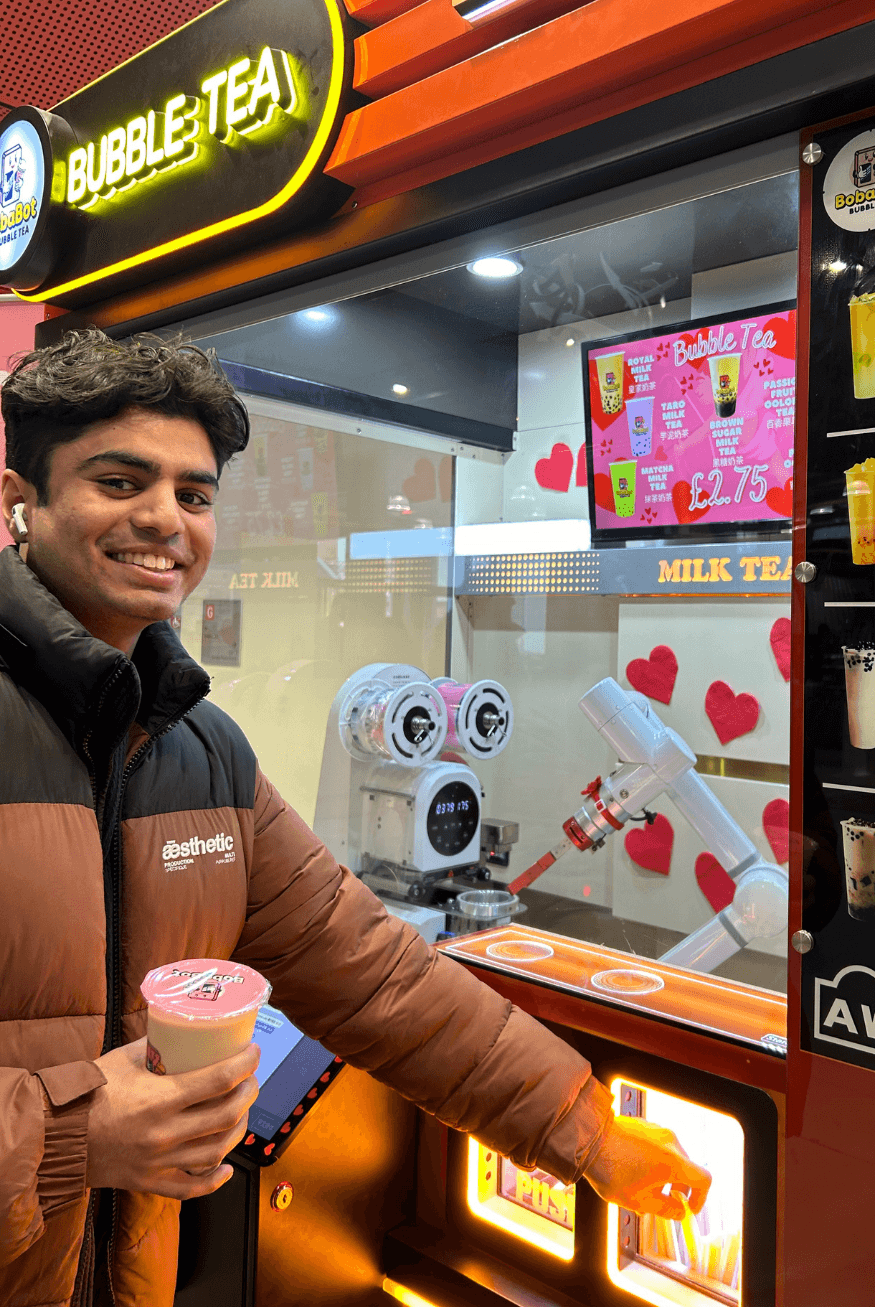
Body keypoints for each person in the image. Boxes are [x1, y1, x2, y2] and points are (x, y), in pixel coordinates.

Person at [0, 330, 710, 1307]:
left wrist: (582, 1124)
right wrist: (69, 1133)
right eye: (120, 481)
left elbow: (373, 973)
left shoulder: (204, 754)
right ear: (19, 500)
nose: (165, 518)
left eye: (194, 494)